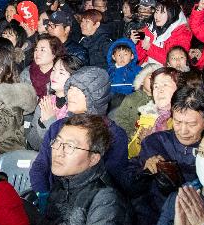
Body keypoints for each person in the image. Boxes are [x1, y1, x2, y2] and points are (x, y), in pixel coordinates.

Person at [28, 67, 138, 196]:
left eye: (80, 90)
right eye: (70, 88)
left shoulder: (113, 134)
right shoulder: (59, 127)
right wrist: (43, 194)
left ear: (96, 96)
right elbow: (41, 165)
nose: (71, 94)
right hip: (55, 198)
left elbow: (113, 178)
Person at [132, 87, 204, 225]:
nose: (183, 130)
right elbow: (134, 188)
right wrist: (145, 171)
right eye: (178, 122)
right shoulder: (155, 143)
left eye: (191, 124)